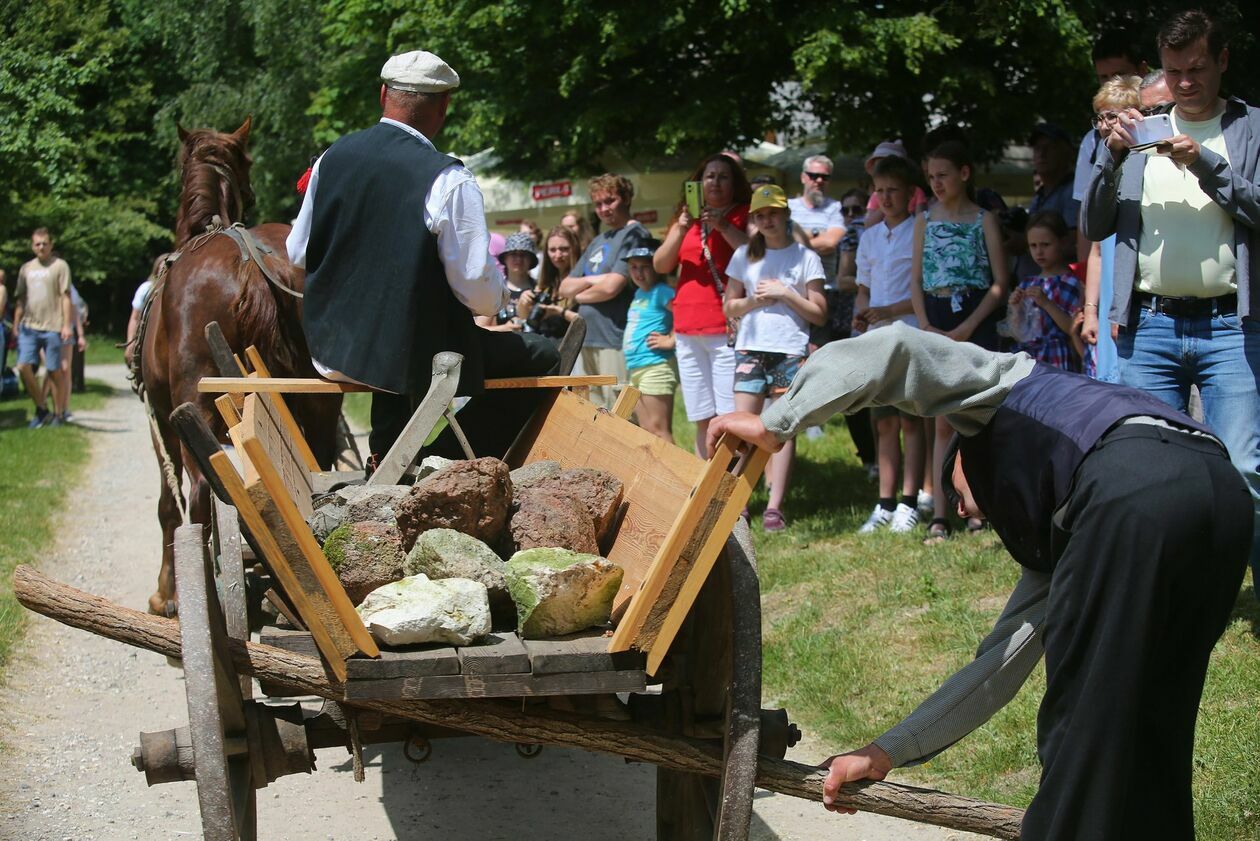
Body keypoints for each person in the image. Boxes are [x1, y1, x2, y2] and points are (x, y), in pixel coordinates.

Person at [707, 324, 1249, 841]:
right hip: (1224, 499)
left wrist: (778, 422)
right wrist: (886, 751)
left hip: (1132, 491)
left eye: (960, 495)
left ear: (961, 454)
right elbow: (999, 664)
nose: (972, 512)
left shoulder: (1002, 387)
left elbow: (896, 349)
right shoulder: (1060, 513)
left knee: (1080, 730)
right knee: (1151, 723)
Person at [287, 49, 557, 464]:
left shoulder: (331, 158)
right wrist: (503, 300)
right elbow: (478, 293)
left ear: (383, 95)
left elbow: (297, 252)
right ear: (444, 106)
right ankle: (434, 462)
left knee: (411, 345)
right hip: (408, 353)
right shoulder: (447, 177)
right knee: (542, 355)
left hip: (329, 349)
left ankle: (390, 455)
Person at [1082, 9, 1260, 592]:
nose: (1185, 82)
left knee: (1244, 469)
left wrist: (1204, 164)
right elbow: (1093, 222)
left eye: (1197, 69)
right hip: (1148, 326)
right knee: (1150, 470)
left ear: (1222, 61)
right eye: (1174, 70)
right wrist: (1110, 158)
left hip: (1231, 327)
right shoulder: (1139, 131)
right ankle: (1168, 596)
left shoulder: (1251, 129)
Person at [910, 141, 1010, 543]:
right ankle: (939, 511)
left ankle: (978, 505)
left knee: (975, 416)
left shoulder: (983, 219)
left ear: (964, 174)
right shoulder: (924, 219)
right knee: (940, 420)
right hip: (936, 318)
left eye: (943, 175)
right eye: (930, 176)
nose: (935, 183)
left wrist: (970, 325)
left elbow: (1000, 283)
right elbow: (916, 279)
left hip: (975, 317)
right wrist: (923, 325)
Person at [723, 184, 826, 531]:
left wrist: (786, 293)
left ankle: (775, 506)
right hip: (751, 348)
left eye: (773, 213)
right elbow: (729, 305)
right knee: (742, 426)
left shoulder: (805, 257)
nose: (767, 220)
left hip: (790, 349)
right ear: (754, 219)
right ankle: (738, 500)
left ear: (786, 215)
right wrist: (754, 301)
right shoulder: (744, 256)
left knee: (782, 428)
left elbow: (819, 313)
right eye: (760, 215)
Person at [653, 153, 751, 458]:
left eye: (724, 176)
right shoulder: (686, 222)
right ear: (698, 183)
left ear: (734, 184)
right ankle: (704, 485)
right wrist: (681, 228)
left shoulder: (743, 214)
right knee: (700, 415)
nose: (716, 182)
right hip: (686, 327)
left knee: (726, 414)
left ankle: (731, 488)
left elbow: (755, 255)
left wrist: (723, 226)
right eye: (710, 176)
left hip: (724, 328)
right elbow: (661, 264)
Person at [853, 156, 924, 533]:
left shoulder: (919, 230)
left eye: (892, 190)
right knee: (883, 423)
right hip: (878, 338)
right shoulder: (870, 236)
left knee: (911, 421)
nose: (885, 197)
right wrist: (864, 313)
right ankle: (884, 502)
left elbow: (921, 291)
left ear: (910, 193)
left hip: (909, 333)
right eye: (879, 191)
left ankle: (909, 502)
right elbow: (864, 288)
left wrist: (888, 310)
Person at [558, 173, 651, 411]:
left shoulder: (635, 234)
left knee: (620, 411)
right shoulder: (600, 239)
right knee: (594, 411)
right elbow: (565, 287)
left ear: (627, 198)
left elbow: (612, 288)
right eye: (598, 204)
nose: (603, 209)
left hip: (615, 337)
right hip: (587, 336)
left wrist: (579, 291)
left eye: (610, 201)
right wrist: (594, 281)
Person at [1078, 75, 1145, 381]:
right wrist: (1091, 311)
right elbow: (1096, 252)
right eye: (1101, 117)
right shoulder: (1102, 163)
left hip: (1132, 302)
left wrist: (1122, 312)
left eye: (1113, 116)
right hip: (1106, 302)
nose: (1105, 125)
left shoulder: (1142, 165)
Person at [1071, 30, 1151, 263]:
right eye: (1103, 77)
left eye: (1118, 74)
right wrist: (1086, 285)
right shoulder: (1093, 140)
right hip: (1108, 259)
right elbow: (1087, 217)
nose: (1111, 84)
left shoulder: (1165, 133)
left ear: (1142, 71)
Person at [1007, 211, 1082, 370]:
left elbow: (1073, 328)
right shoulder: (1028, 282)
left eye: (1045, 245)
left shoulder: (1071, 282)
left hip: (1058, 356)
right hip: (1029, 358)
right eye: (1033, 246)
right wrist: (1016, 308)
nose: (1039, 252)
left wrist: (1047, 304)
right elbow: (1019, 331)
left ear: (1062, 242)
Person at [14, 228, 72, 428]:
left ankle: (58, 414)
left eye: (44, 243)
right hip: (29, 327)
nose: (41, 247)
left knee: (54, 371)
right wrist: (15, 324)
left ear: (51, 245)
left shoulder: (59, 266)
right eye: (37, 244)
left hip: (53, 326)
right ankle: (41, 408)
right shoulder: (26, 269)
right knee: (23, 366)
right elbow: (21, 299)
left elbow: (66, 296)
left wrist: (66, 325)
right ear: (32, 246)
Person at [622, 241, 677, 443]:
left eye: (644, 266)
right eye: (633, 267)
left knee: (659, 430)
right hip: (636, 367)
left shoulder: (662, 291)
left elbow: (683, 311)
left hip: (656, 366)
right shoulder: (638, 293)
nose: (638, 272)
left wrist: (671, 339)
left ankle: (677, 474)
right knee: (646, 429)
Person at [517, 225, 579, 341]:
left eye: (564, 249)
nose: (558, 255)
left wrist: (559, 312)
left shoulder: (582, 280)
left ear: (574, 249)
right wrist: (523, 303)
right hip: (547, 347)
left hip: (573, 348)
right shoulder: (546, 283)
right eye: (552, 250)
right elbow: (526, 318)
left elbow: (585, 321)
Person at [476, 231, 535, 332]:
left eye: (523, 255)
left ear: (531, 259)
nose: (518, 259)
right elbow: (479, 328)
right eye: (513, 254)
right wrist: (504, 328)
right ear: (505, 258)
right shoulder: (495, 290)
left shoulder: (540, 288)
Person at [126, 254, 167, 367]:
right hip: (145, 335)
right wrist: (130, 342)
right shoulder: (146, 288)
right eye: (162, 268)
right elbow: (134, 317)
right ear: (156, 270)